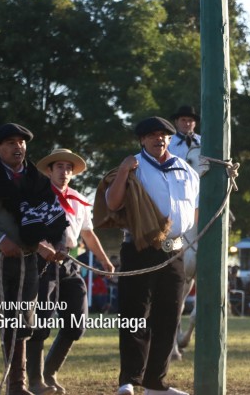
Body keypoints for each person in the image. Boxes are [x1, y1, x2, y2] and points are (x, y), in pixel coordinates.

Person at [0, 123, 68, 395]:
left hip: (26, 262)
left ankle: (17, 387)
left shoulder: (38, 182)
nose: (17, 147)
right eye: (10, 142)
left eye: (21, 142)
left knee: (21, 323)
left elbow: (54, 221)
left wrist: (58, 244)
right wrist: (0, 239)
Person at [105, 116, 199, 395]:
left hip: (174, 252)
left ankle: (156, 383)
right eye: (152, 135)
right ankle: (129, 381)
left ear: (170, 139)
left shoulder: (185, 170)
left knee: (168, 318)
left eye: (164, 135)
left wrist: (185, 235)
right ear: (142, 140)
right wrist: (122, 171)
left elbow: (193, 209)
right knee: (135, 316)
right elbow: (112, 203)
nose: (159, 139)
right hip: (140, 248)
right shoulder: (132, 166)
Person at [26, 148, 114, 395]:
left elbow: (87, 233)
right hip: (42, 262)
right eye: (60, 167)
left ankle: (49, 372)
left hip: (71, 263)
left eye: (68, 168)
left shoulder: (78, 199)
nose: (64, 172)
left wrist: (104, 261)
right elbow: (28, 228)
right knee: (40, 323)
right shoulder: (38, 196)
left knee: (76, 323)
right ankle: (35, 381)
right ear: (50, 170)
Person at [167, 105, 205, 175]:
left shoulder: (203, 141)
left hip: (200, 180)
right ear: (176, 122)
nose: (187, 124)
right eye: (183, 120)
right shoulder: (168, 141)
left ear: (195, 123)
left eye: (190, 120)